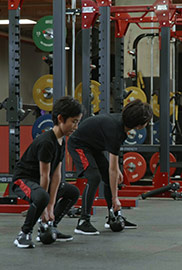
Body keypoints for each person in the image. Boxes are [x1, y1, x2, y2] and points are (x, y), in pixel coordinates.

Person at [68, 99, 153, 235]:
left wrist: (117, 170)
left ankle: (113, 216)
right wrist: (115, 198)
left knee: (108, 178)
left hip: (93, 148)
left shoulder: (123, 125)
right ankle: (83, 221)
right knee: (94, 177)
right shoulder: (115, 130)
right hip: (79, 146)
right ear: (139, 125)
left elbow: (114, 165)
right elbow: (112, 168)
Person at [12, 96, 83, 248]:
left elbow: (56, 174)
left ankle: (50, 226)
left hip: (42, 181)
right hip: (24, 180)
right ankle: (24, 234)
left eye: (78, 122)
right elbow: (44, 175)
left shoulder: (62, 140)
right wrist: (45, 207)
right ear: (60, 118)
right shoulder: (46, 142)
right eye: (74, 121)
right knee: (42, 196)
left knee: (72, 192)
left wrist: (51, 206)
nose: (76, 126)